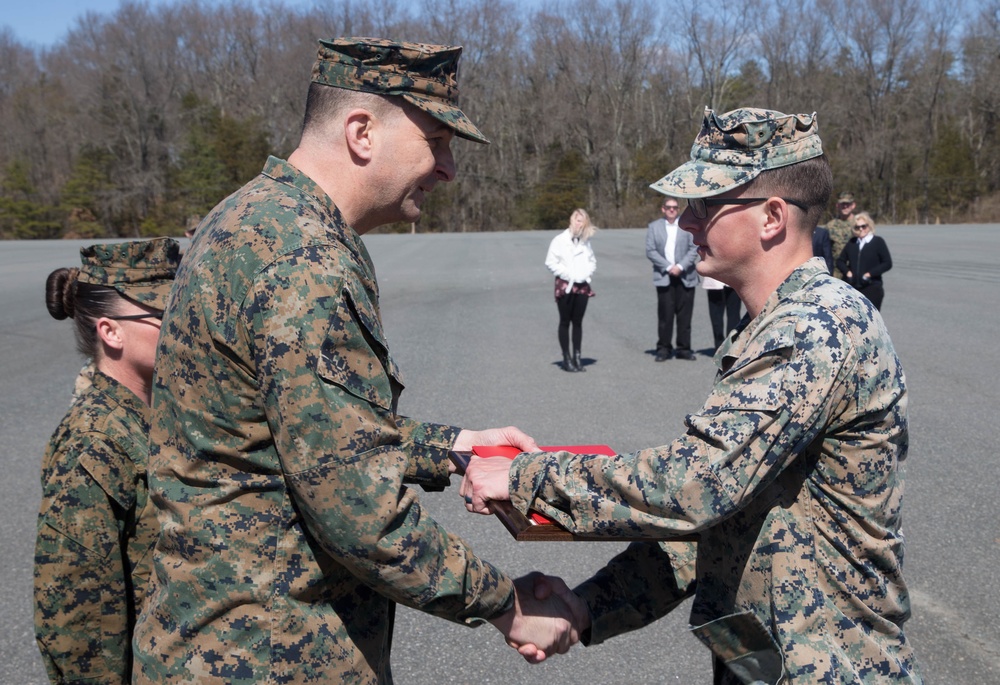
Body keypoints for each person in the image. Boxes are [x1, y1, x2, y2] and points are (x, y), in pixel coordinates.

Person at [133, 38, 579, 684]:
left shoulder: (252, 218)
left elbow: (310, 435)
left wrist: (452, 446)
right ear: (361, 132)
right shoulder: (305, 262)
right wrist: (504, 603)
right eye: (437, 140)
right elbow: (361, 510)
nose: (448, 169)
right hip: (263, 658)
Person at [462, 107, 921, 683]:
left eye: (707, 204)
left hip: (831, 667)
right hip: (765, 659)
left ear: (772, 216)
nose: (691, 223)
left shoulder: (816, 328)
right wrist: (586, 607)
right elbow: (715, 525)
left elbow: (694, 485)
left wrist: (529, 477)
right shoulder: (767, 329)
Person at [34, 238, 181, 684]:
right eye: (162, 316)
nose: (183, 326)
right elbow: (80, 622)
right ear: (110, 331)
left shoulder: (171, 411)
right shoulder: (93, 442)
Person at [646, 197, 699, 361]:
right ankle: (663, 349)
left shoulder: (686, 226)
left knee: (685, 316)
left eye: (675, 208)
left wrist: (680, 266)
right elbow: (651, 251)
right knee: (665, 316)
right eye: (668, 207)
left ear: (678, 209)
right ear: (663, 209)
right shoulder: (654, 227)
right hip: (664, 276)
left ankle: (684, 349)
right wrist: (669, 267)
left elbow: (694, 247)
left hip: (685, 276)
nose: (671, 210)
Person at [545, 208, 597, 371]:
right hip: (565, 285)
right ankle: (566, 358)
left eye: (581, 220)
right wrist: (568, 274)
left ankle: (577, 357)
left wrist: (586, 274)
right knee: (565, 321)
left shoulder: (585, 241)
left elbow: (592, 261)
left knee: (578, 322)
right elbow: (550, 262)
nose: (578, 222)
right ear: (571, 220)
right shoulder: (559, 240)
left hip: (582, 286)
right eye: (576, 219)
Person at [836, 211, 892, 310]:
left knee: (871, 320)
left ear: (869, 226)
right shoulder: (852, 243)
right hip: (852, 288)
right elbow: (840, 261)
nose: (861, 229)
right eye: (857, 227)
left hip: (872, 287)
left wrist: (869, 274)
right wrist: (848, 272)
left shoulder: (878, 242)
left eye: (863, 226)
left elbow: (887, 263)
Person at [701, 275, 742, 351]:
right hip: (714, 279)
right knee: (716, 317)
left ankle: (732, 345)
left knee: (734, 315)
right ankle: (718, 346)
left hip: (733, 278)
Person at [825, 191, 857, 278]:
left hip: (855, 271)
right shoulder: (830, 226)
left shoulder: (860, 225)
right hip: (836, 273)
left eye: (848, 204)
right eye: (842, 204)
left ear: (853, 205)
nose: (845, 206)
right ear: (837, 206)